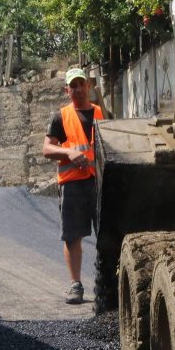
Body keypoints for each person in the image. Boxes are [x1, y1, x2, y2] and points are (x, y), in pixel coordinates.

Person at [42, 67, 104, 304]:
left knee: (106, 234)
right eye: (73, 86)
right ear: (66, 90)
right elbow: (47, 149)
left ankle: (106, 281)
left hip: (99, 182)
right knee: (73, 236)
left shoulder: (101, 113)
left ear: (88, 85)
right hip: (73, 185)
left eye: (81, 84)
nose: (78, 89)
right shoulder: (61, 117)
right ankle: (76, 284)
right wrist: (67, 152)